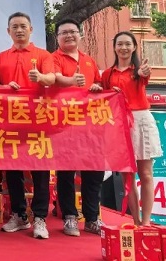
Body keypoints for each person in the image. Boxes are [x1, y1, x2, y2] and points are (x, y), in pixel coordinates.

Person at [0, 12, 55, 240]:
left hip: (38, 120)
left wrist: (40, 78)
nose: (19, 30)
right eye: (15, 27)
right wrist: (5, 87)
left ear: (31, 29)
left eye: (23, 26)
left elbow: (52, 79)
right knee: (12, 169)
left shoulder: (43, 55)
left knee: (40, 170)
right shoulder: (1, 57)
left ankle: (40, 217)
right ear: (8, 31)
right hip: (10, 121)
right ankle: (19, 215)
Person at [51, 19, 104, 236]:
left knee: (94, 172)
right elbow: (55, 79)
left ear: (80, 35)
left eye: (73, 31)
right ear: (57, 37)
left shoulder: (89, 60)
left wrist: (97, 87)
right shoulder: (53, 58)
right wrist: (72, 80)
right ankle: (70, 217)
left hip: (90, 125)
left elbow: (100, 84)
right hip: (64, 124)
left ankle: (92, 218)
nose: (69, 35)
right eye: (64, 32)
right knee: (66, 173)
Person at [102, 31, 161, 226]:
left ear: (134, 47)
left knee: (146, 174)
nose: (124, 48)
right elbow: (103, 96)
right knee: (128, 177)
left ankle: (146, 221)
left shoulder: (139, 71)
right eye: (120, 44)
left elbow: (145, 76)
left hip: (141, 120)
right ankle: (135, 221)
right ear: (114, 47)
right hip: (119, 124)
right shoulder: (107, 74)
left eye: (128, 44)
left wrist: (144, 73)